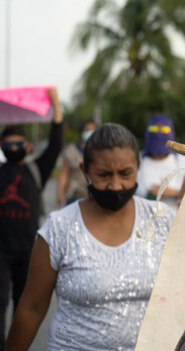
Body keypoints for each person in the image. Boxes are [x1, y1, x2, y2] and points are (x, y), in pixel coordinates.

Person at [6, 123, 175, 350]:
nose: (115, 185)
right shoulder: (59, 229)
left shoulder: (162, 220)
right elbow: (32, 308)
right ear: (85, 171)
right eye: (104, 175)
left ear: (138, 166)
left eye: (125, 174)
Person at [0, 88, 63, 348]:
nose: (14, 146)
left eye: (19, 142)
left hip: (29, 250)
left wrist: (56, 105)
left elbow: (56, 143)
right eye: (8, 143)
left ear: (28, 146)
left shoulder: (37, 170)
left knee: (23, 304)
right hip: (0, 251)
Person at [136, 114, 185, 212]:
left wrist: (174, 193)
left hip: (174, 223)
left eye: (164, 130)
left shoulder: (183, 163)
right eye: (154, 129)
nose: (158, 134)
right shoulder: (137, 160)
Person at [56, 119, 97, 206]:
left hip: (95, 197)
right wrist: (60, 194)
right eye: (87, 130)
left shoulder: (101, 151)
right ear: (82, 132)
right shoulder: (71, 151)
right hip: (74, 197)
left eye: (92, 130)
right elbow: (64, 174)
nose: (89, 133)